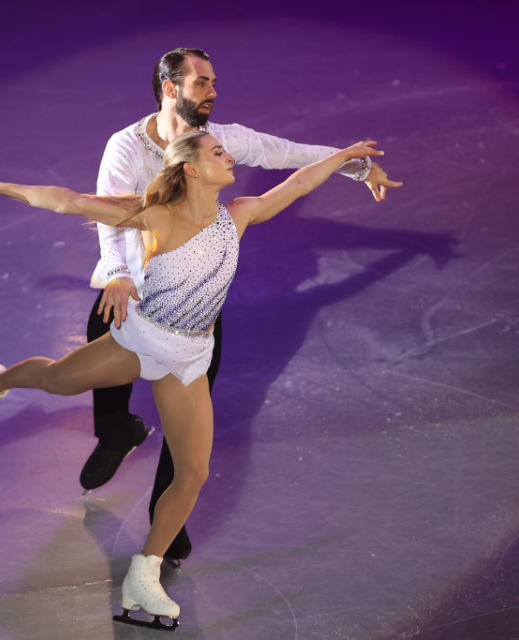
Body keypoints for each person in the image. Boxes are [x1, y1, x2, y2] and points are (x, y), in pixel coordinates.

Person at [0, 130, 396, 628]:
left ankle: (145, 571)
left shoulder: (238, 214)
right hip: (140, 342)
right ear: (193, 170)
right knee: (56, 380)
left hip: (190, 358)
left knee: (194, 472)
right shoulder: (158, 215)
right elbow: (68, 202)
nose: (230, 157)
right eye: (218, 153)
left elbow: (299, 184)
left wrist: (346, 158)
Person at [83, 48, 402, 564]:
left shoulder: (222, 140)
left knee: (185, 418)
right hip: (135, 276)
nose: (212, 92)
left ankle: (167, 525)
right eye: (201, 83)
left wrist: (355, 164)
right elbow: (106, 210)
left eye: (213, 83)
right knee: (101, 341)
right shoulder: (126, 146)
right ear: (170, 89)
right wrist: (118, 276)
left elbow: (288, 154)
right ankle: (116, 430)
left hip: (190, 299)